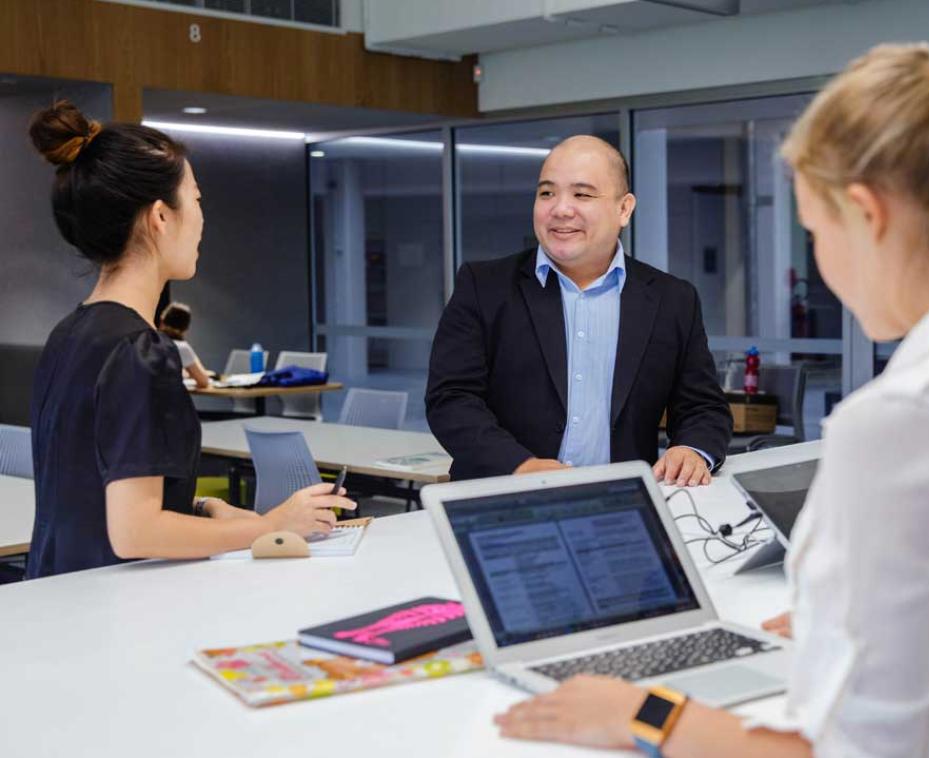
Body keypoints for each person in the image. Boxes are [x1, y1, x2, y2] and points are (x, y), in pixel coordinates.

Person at [493, 44, 929, 757]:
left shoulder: (904, 425)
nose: (820, 262)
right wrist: (870, 620)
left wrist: (641, 713)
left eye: (815, 229)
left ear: (866, 214)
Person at [26, 102, 354, 578]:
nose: (202, 218)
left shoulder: (69, 334)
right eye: (196, 200)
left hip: (57, 599)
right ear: (161, 216)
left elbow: (89, 492)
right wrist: (275, 524)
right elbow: (134, 532)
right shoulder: (139, 351)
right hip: (112, 616)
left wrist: (198, 508)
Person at [426, 135, 732, 486]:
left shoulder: (672, 299)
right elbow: (450, 400)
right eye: (547, 193)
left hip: (619, 505)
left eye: (582, 194)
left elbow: (703, 407)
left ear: (624, 209)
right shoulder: (484, 287)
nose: (560, 209)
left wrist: (692, 449)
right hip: (501, 501)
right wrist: (520, 466)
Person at [157, 301, 210, 389]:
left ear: (162, 321)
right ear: (185, 328)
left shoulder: (149, 342)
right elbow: (203, 381)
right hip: (166, 401)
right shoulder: (181, 348)